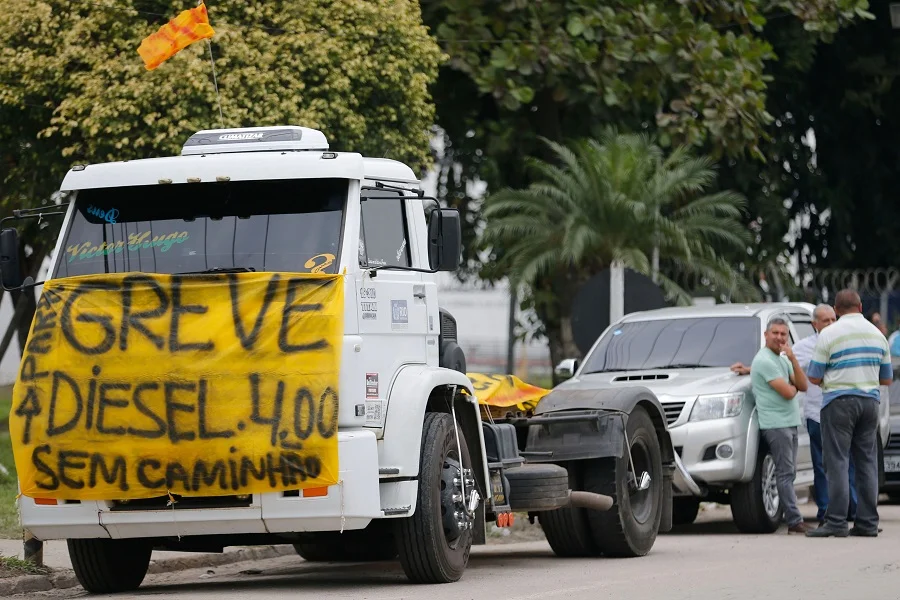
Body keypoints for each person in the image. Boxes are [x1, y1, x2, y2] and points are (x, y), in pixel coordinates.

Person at [805, 289, 893, 538]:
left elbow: (813, 375)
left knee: (837, 462)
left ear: (836, 309)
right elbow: (886, 379)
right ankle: (866, 523)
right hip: (869, 404)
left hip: (838, 402)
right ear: (861, 307)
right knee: (866, 463)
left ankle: (836, 522)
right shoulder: (878, 335)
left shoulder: (828, 334)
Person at [792, 304, 857, 527]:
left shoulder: (847, 342)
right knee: (821, 465)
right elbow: (783, 365)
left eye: (833, 319)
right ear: (814, 324)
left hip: (843, 412)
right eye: (825, 320)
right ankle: (826, 511)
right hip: (817, 413)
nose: (830, 324)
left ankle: (852, 509)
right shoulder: (803, 347)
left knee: (848, 462)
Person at [749, 316, 810, 534]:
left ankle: (793, 518)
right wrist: (792, 387)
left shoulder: (783, 359)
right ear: (766, 335)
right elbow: (788, 392)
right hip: (776, 424)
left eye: (783, 334)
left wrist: (793, 359)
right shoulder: (764, 360)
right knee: (784, 474)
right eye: (775, 333)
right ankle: (794, 521)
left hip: (789, 422)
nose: (779, 337)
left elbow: (803, 384)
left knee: (789, 473)